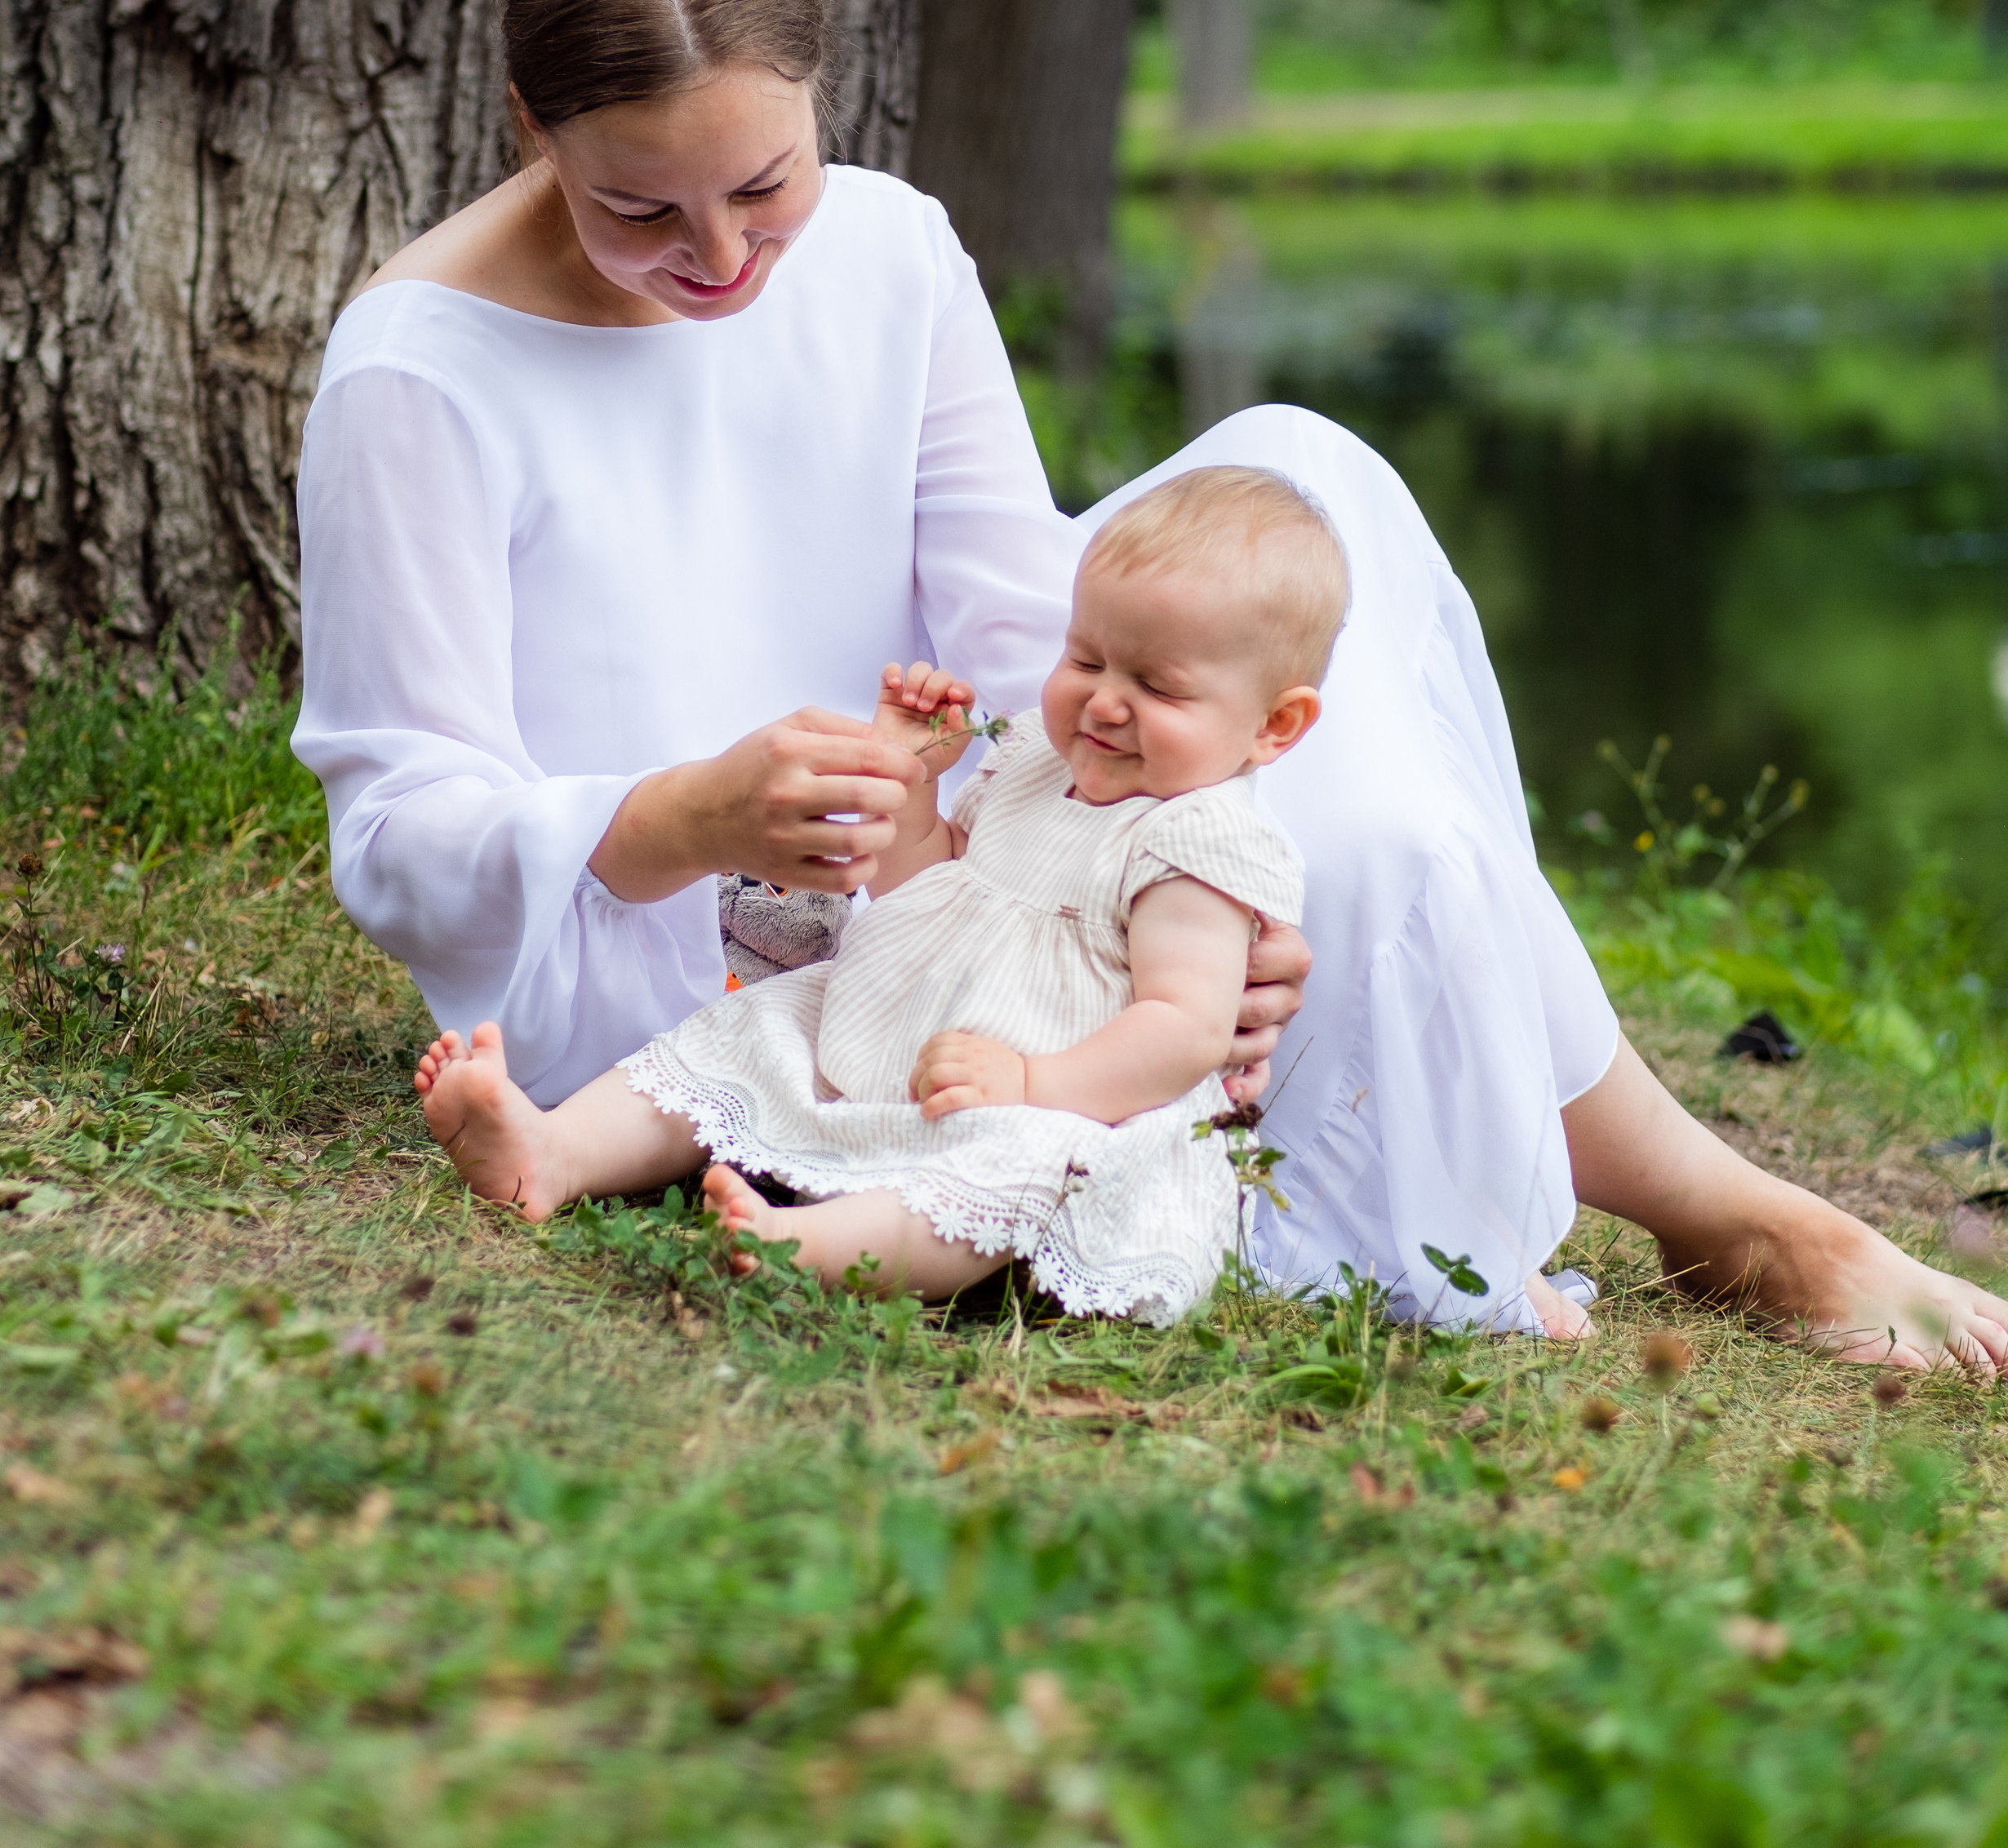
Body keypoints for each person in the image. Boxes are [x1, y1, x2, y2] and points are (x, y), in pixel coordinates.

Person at [294, 0, 2008, 1376]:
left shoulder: (887, 250)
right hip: (706, 987)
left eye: (764, 186)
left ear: (820, 100)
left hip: (981, 874)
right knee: (1269, 738)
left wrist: (1178, 902)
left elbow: (1019, 634)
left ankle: (1693, 1203)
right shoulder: (419, 376)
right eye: (639, 209)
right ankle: (1719, 1214)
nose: (722, 258)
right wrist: (682, 815)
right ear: (529, 130)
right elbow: (395, 842)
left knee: (1299, 490)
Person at [414, 469, 1365, 1326]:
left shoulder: (1199, 840)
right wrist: (911, 784)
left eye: (1156, 686)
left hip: (1064, 1092)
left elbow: (1182, 1030)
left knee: (1028, 1165)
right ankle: (554, 1152)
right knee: (752, 1029)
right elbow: (926, 885)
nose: (1104, 702)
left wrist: (1034, 1086)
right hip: (899, 1030)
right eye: (1085, 659)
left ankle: (811, 1248)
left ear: (1274, 726)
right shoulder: (1039, 760)